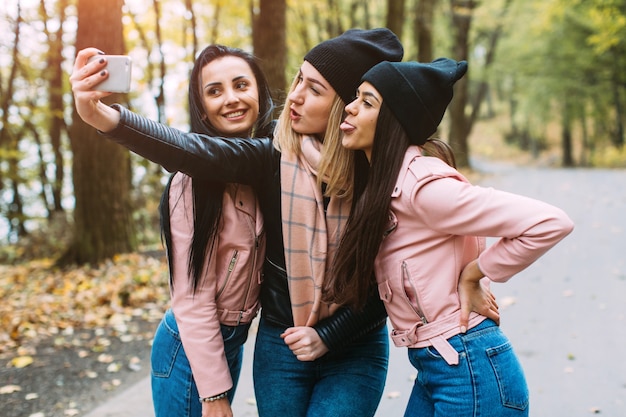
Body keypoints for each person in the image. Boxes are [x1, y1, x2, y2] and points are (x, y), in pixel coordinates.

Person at [70, 29, 437, 417]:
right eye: (298, 80)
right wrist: (103, 116)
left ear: (346, 106)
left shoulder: (382, 175)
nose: (293, 96)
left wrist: (474, 271)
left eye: (313, 89)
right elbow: (191, 151)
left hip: (339, 346)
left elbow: (406, 262)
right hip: (256, 342)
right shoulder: (270, 159)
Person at [325, 58, 575, 416]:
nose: (349, 107)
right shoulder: (387, 187)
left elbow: (550, 222)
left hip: (470, 371)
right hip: (440, 366)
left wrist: (476, 273)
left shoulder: (423, 188)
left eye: (367, 102)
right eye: (356, 97)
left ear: (395, 121)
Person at [151, 44, 274, 417]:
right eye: (215, 91)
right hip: (191, 350)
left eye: (241, 85)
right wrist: (214, 393)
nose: (231, 99)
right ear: (201, 107)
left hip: (231, 341)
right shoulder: (190, 183)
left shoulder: (267, 165)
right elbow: (191, 299)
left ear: (259, 92)